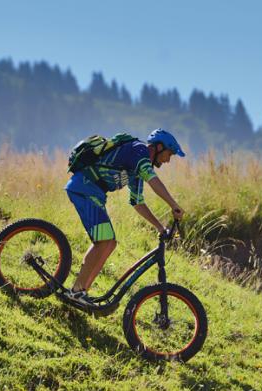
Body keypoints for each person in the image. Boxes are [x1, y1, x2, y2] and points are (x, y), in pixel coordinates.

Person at [64, 128, 185, 304]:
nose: (168, 160)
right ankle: (76, 292)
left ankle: (82, 293)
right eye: (169, 154)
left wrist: (159, 227)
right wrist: (174, 205)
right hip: (84, 187)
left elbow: (137, 202)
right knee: (104, 240)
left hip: (93, 193)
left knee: (110, 243)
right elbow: (154, 181)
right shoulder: (139, 150)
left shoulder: (137, 169)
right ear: (158, 147)